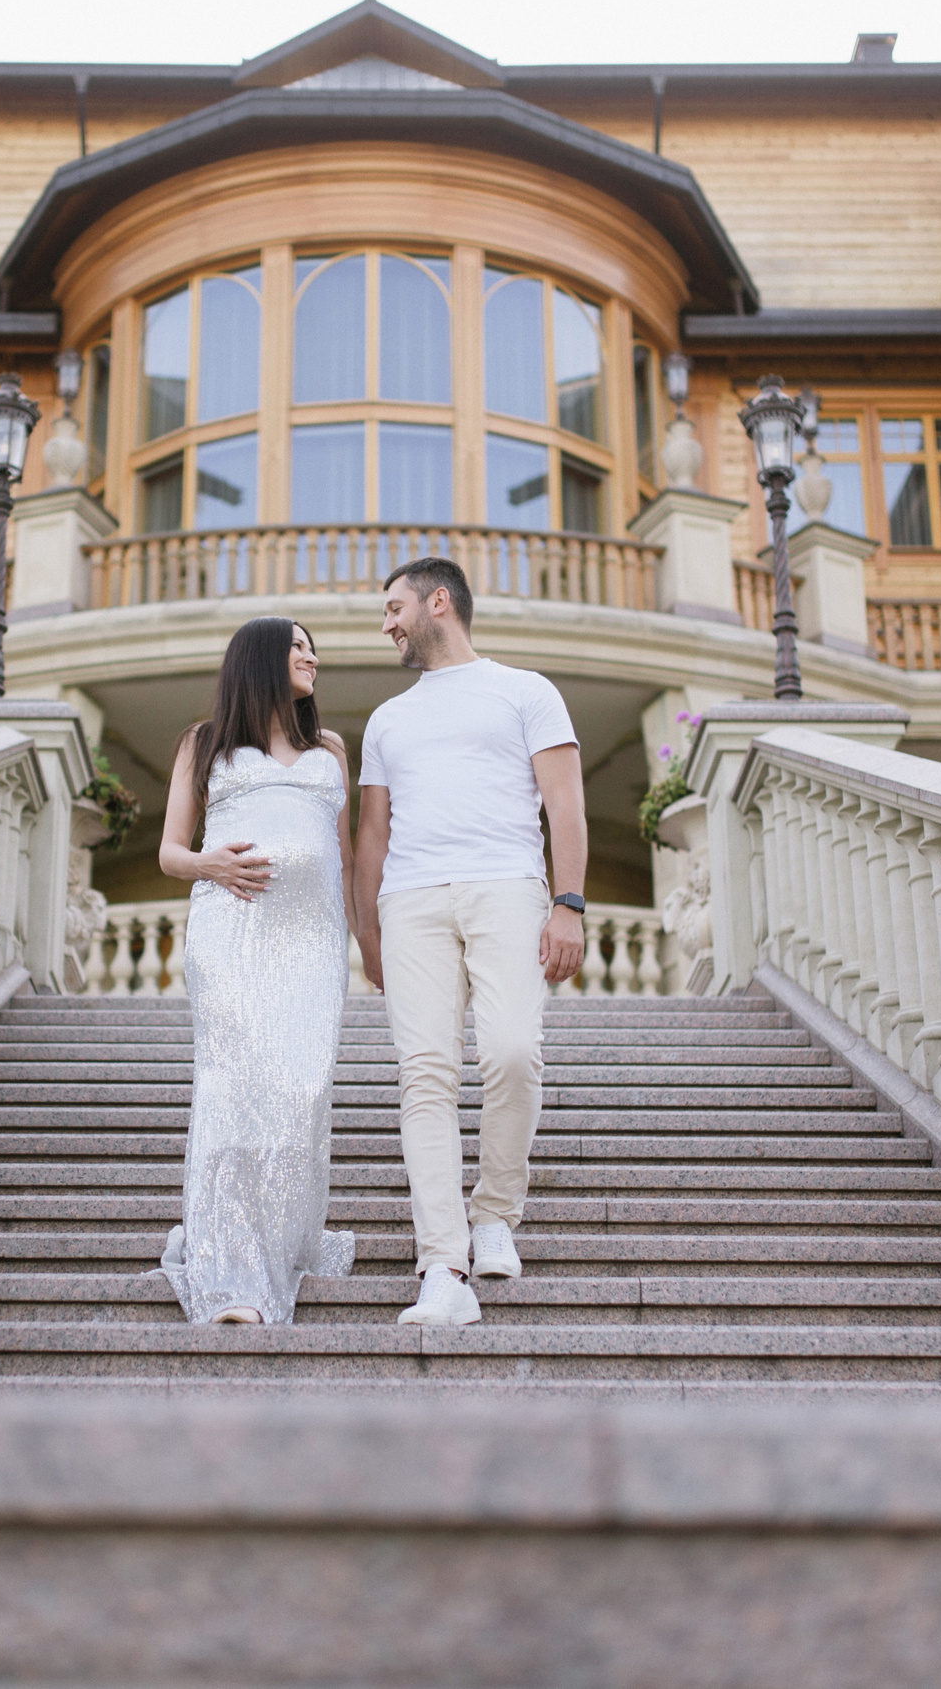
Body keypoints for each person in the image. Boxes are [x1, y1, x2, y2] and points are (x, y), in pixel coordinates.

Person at [354, 558, 587, 1327]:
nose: (386, 622)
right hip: (412, 901)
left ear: (438, 601)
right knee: (424, 1076)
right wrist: (368, 931)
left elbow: (566, 805)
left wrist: (568, 903)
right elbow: (374, 832)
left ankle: (495, 1211)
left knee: (513, 1051)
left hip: (507, 888)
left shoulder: (527, 691)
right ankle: (443, 1264)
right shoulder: (388, 719)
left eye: (394, 607)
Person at [152, 615, 361, 1324]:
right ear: (263, 659)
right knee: (233, 1090)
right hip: (232, 933)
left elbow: (344, 860)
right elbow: (171, 852)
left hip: (313, 946)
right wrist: (209, 862)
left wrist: (368, 942)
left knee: (300, 1093)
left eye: (314, 648)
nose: (312, 657)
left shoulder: (329, 749)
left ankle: (279, 1241)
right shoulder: (203, 743)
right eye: (298, 647)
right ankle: (234, 1274)